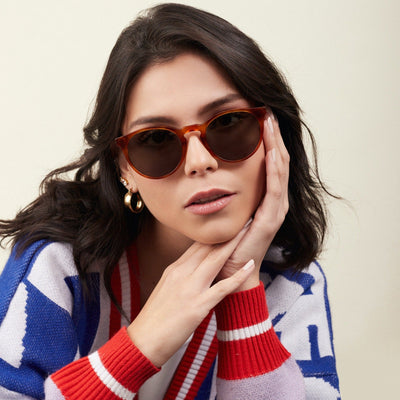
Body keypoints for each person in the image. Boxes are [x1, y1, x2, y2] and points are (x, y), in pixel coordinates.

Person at [0, 3, 341, 399]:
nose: (199, 162)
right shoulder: (58, 266)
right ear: (124, 168)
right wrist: (138, 347)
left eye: (228, 123)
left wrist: (242, 291)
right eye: (156, 139)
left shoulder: (292, 283)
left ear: (274, 135)